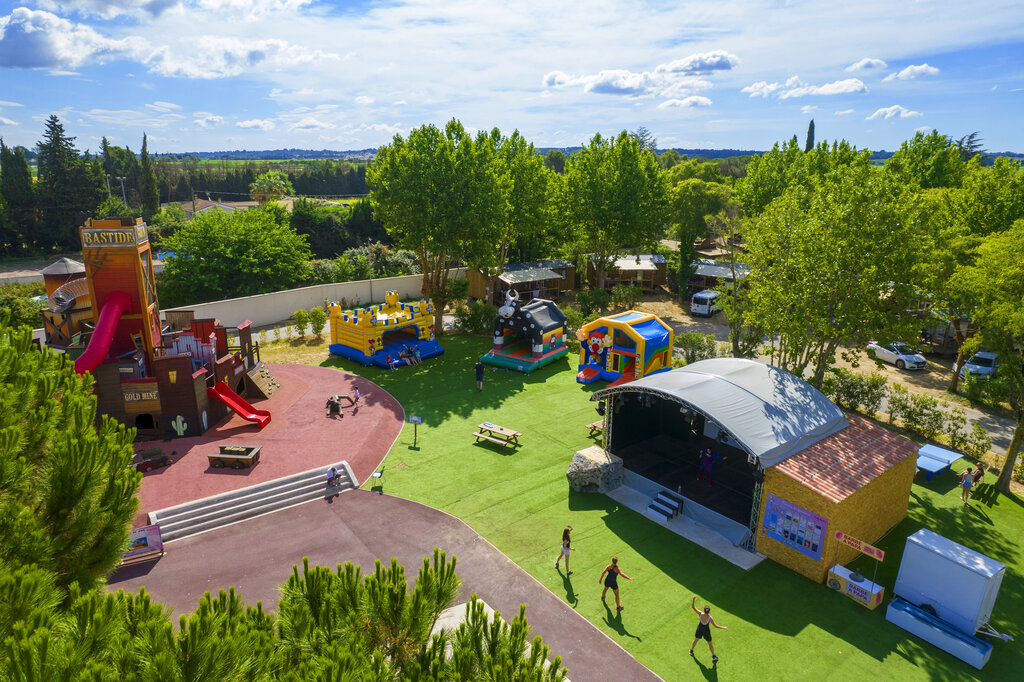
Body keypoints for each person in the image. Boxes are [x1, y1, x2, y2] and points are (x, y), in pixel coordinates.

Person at [690, 596, 728, 662]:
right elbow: (716, 626)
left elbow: (693, 607)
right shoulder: (710, 618)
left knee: (695, 640)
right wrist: (723, 627)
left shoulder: (700, 614)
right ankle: (713, 656)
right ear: (709, 611)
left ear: (704, 610)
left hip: (699, 629)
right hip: (706, 631)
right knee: (710, 643)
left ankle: (691, 650)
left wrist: (693, 599)